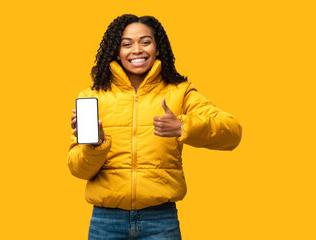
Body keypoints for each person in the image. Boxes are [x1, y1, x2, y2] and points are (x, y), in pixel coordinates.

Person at [68, 14, 242, 240]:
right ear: (116, 51)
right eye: (126, 44)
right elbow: (78, 170)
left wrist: (182, 127)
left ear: (158, 48)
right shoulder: (92, 97)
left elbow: (232, 132)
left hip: (160, 220)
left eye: (145, 42)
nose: (137, 50)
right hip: (105, 222)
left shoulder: (180, 92)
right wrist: (95, 146)